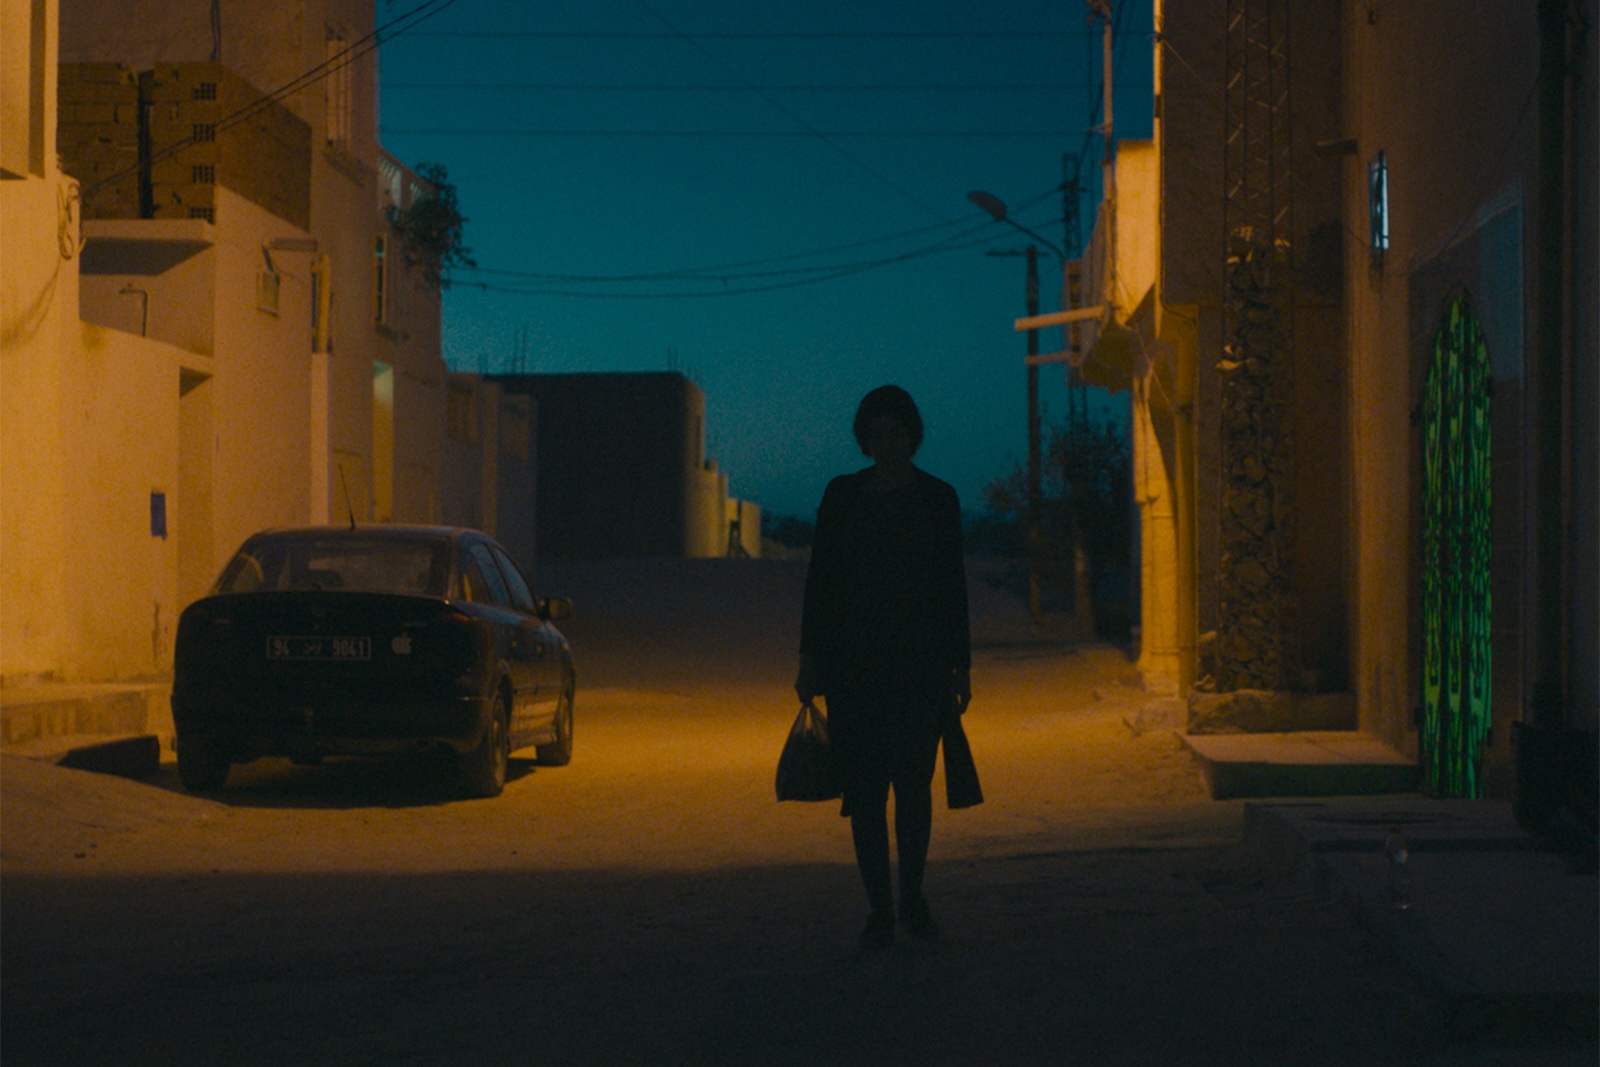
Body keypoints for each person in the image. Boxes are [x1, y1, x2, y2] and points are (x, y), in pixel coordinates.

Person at [796, 385, 972, 947]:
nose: (886, 445)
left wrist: (960, 665)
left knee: (915, 787)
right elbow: (820, 583)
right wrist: (809, 658)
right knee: (867, 792)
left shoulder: (938, 498)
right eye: (876, 436)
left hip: (919, 666)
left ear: (912, 436)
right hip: (854, 669)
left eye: (895, 434)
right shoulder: (843, 496)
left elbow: (952, 588)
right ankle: (880, 908)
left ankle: (912, 897)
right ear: (864, 439)